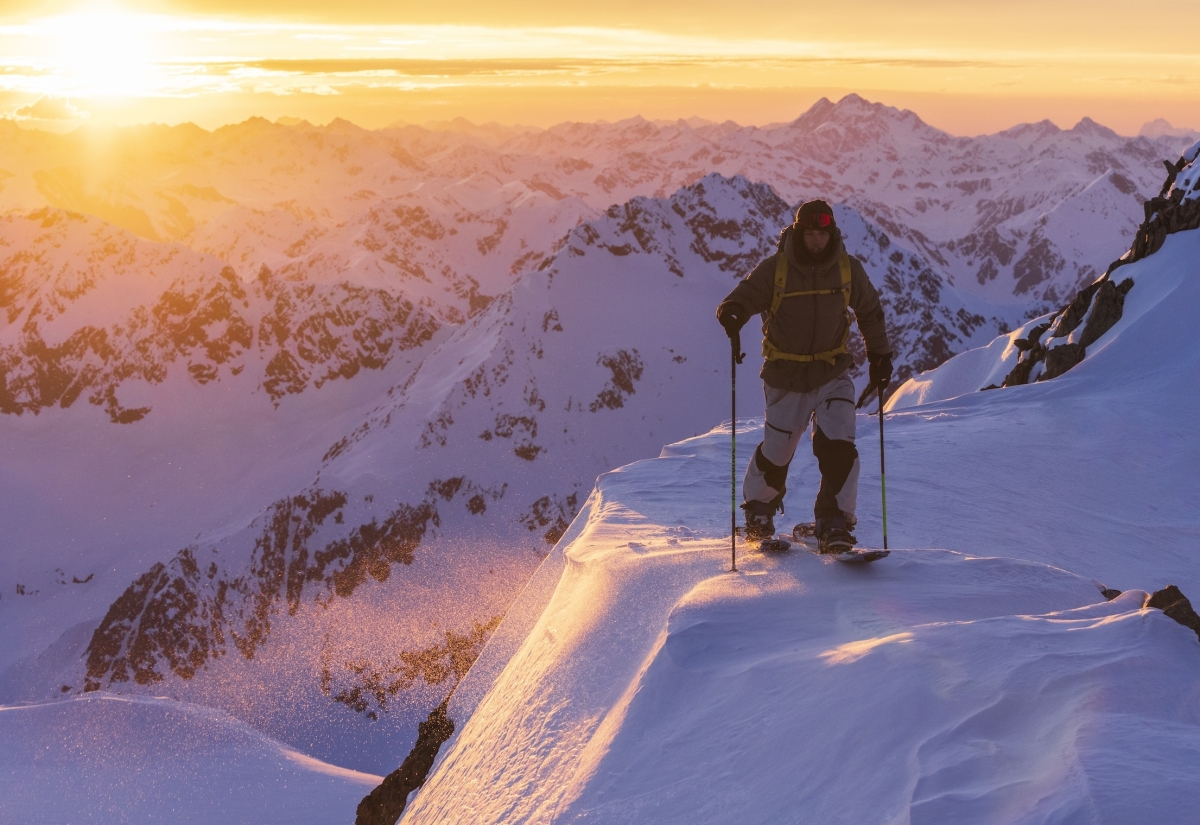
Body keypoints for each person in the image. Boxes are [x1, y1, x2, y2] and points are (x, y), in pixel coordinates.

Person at [716, 200, 892, 553]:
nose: (815, 241)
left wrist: (880, 355)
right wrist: (732, 313)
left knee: (839, 446)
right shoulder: (776, 269)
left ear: (832, 234)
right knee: (778, 451)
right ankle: (758, 513)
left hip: (832, 372)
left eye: (821, 234)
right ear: (799, 233)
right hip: (786, 376)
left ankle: (835, 522)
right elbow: (743, 297)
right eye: (809, 234)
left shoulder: (847, 269)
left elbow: (870, 311)